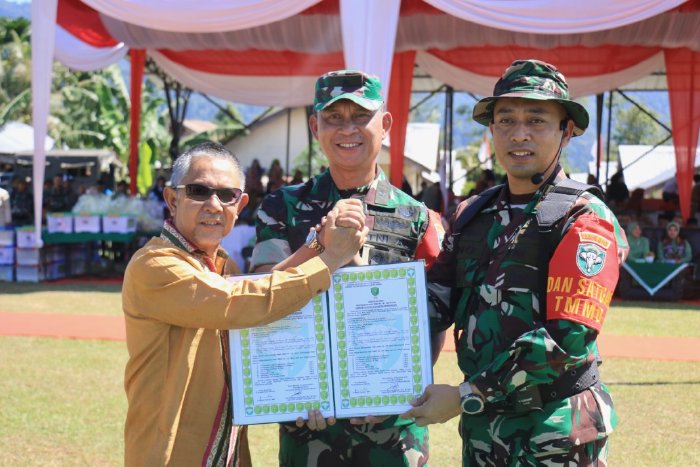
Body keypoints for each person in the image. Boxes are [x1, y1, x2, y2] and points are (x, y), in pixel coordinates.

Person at [401, 59, 629, 465]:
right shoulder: (473, 213)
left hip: (557, 433)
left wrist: (466, 395)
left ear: (567, 130)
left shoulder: (584, 219)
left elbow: (565, 339)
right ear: (492, 130)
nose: (519, 134)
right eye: (506, 120)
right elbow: (433, 301)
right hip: (486, 433)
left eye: (536, 120)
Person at [122, 142, 367, 466]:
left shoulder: (223, 266)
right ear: (172, 199)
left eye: (227, 195)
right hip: (171, 455)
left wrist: (319, 244)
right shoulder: (155, 266)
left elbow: (255, 295)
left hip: (229, 452)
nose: (213, 205)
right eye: (198, 191)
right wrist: (331, 258)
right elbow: (236, 302)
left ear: (240, 204)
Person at [250, 69, 444, 466]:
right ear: (314, 126)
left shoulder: (419, 218)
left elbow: (433, 319)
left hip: (393, 430)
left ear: (385, 125)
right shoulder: (281, 208)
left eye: (360, 117)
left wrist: (398, 387)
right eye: (333, 118)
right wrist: (321, 248)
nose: (347, 129)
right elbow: (264, 297)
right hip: (309, 422)